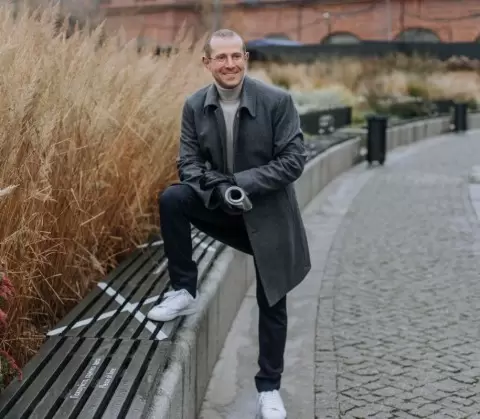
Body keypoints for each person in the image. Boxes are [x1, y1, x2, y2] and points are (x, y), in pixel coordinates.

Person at [147, 29, 311, 419]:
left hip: (270, 219)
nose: (230, 64)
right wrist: (220, 189)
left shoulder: (277, 101)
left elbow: (293, 161)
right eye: (221, 57)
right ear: (207, 63)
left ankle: (269, 389)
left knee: (273, 303)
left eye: (236, 55)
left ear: (246, 58)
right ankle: (184, 290)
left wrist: (239, 182)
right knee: (173, 199)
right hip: (224, 208)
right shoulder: (194, 105)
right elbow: (188, 164)